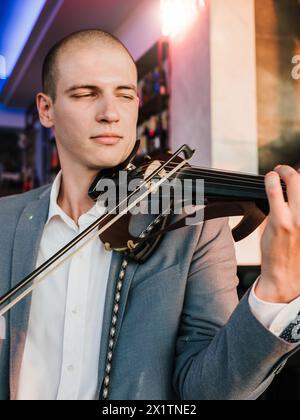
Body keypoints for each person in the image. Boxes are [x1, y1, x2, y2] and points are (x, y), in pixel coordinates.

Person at [0, 29, 300, 401]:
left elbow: (210, 392)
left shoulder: (194, 228)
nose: (110, 113)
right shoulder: (5, 222)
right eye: (85, 94)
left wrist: (277, 289)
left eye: (124, 95)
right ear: (46, 109)